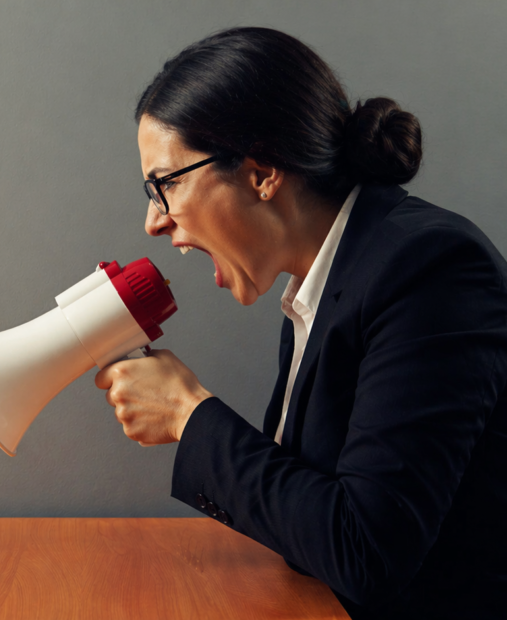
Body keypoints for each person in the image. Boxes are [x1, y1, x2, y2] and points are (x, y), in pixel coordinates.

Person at [95, 27, 507, 619]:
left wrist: (188, 414)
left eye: (167, 184)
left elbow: (366, 552)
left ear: (262, 172)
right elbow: (312, 527)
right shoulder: (325, 282)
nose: (154, 222)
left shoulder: (429, 268)